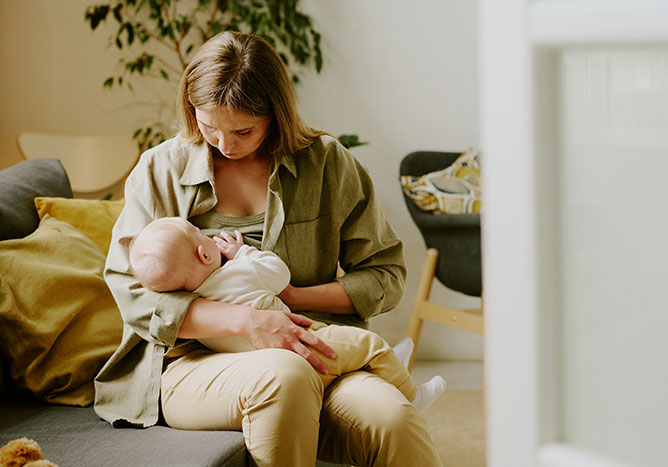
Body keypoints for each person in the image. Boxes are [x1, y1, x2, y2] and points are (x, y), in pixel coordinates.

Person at [94, 30, 444, 466]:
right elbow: (132, 292)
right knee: (285, 374)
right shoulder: (161, 169)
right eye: (208, 127)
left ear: (276, 115)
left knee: (394, 419)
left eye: (243, 130)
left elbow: (384, 275)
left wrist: (292, 299)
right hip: (195, 361)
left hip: (315, 342)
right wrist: (248, 320)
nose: (224, 144)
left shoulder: (327, 164)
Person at [126, 216, 446, 413]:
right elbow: (280, 276)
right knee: (370, 345)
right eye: (199, 231)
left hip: (260, 364)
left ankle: (389, 369)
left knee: (341, 344)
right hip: (300, 351)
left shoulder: (197, 302)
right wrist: (243, 253)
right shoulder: (239, 272)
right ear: (205, 252)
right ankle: (410, 394)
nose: (205, 233)